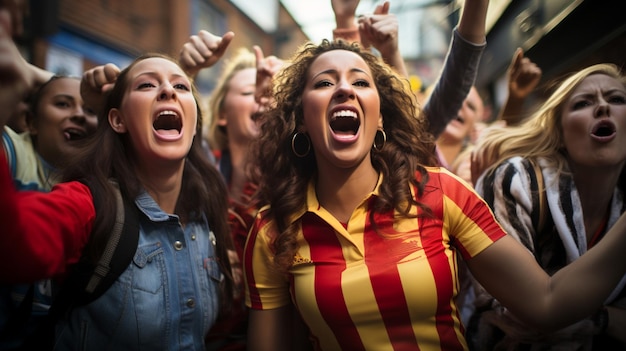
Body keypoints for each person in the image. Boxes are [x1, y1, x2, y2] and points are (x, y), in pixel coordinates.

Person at [242, 39, 626, 351]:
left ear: (380, 118)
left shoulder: (440, 193)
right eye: (324, 82)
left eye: (360, 82)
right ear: (301, 120)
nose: (344, 88)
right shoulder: (272, 231)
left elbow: (546, 302)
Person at [0, 49, 236, 349]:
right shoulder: (90, 204)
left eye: (180, 86)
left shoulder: (207, 208)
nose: (167, 90)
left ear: (193, 125)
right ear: (117, 120)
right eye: (147, 85)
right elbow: (14, 245)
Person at [467, 63, 626, 350]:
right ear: (560, 131)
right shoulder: (517, 179)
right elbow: (520, 311)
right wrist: (606, 319)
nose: (603, 107)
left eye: (617, 99)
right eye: (583, 103)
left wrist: (585, 316)